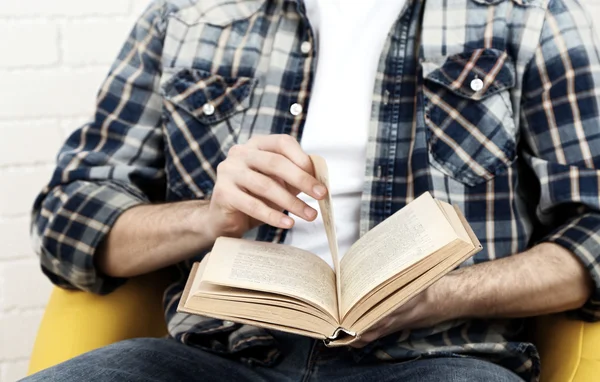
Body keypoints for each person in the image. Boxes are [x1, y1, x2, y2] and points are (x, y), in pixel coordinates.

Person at [23, 0, 600, 381]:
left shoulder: (530, 15)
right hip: (217, 359)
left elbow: (592, 235)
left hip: (436, 359)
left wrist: (438, 295)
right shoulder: (186, 17)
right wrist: (210, 216)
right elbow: (68, 223)